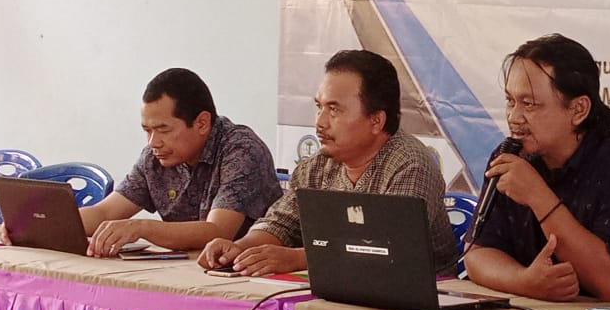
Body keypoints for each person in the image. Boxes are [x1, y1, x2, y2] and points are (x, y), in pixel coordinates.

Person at [199, 49, 458, 276]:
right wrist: (241, 248)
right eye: (319, 107)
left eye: (334, 110)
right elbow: (281, 222)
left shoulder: (410, 165)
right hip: (338, 292)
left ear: (376, 121)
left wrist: (296, 259)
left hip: (417, 302)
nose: (320, 122)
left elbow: (384, 249)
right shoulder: (316, 167)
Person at [464, 34, 610, 303]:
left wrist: (538, 196)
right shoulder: (510, 156)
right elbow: (477, 253)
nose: (513, 117)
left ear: (578, 110)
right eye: (510, 101)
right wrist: (524, 282)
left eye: (529, 104)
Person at [73, 68, 283, 257]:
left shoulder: (242, 150)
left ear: (202, 123)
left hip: (247, 272)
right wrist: (59, 222)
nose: (153, 142)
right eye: (147, 131)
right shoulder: (154, 155)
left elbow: (218, 231)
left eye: (163, 130)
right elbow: (105, 212)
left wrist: (142, 228)